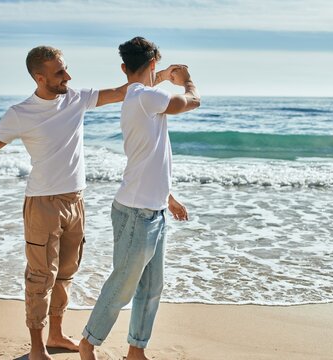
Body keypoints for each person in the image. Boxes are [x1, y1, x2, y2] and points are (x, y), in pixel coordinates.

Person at [0, 45, 137, 360]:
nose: (68, 76)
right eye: (60, 72)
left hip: (76, 200)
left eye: (66, 69)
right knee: (40, 276)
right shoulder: (20, 113)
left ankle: (57, 334)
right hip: (43, 203)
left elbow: (121, 92)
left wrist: (159, 74)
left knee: (66, 271)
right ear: (39, 77)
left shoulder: (75, 98)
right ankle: (37, 348)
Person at [79, 37, 200, 360]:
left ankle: (136, 350)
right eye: (155, 67)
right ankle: (87, 343)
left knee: (151, 288)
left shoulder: (138, 96)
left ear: (123, 67)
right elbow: (191, 102)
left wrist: (169, 197)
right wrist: (186, 80)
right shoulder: (148, 98)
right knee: (123, 284)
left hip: (153, 208)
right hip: (136, 213)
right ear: (151, 65)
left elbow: (150, 157)